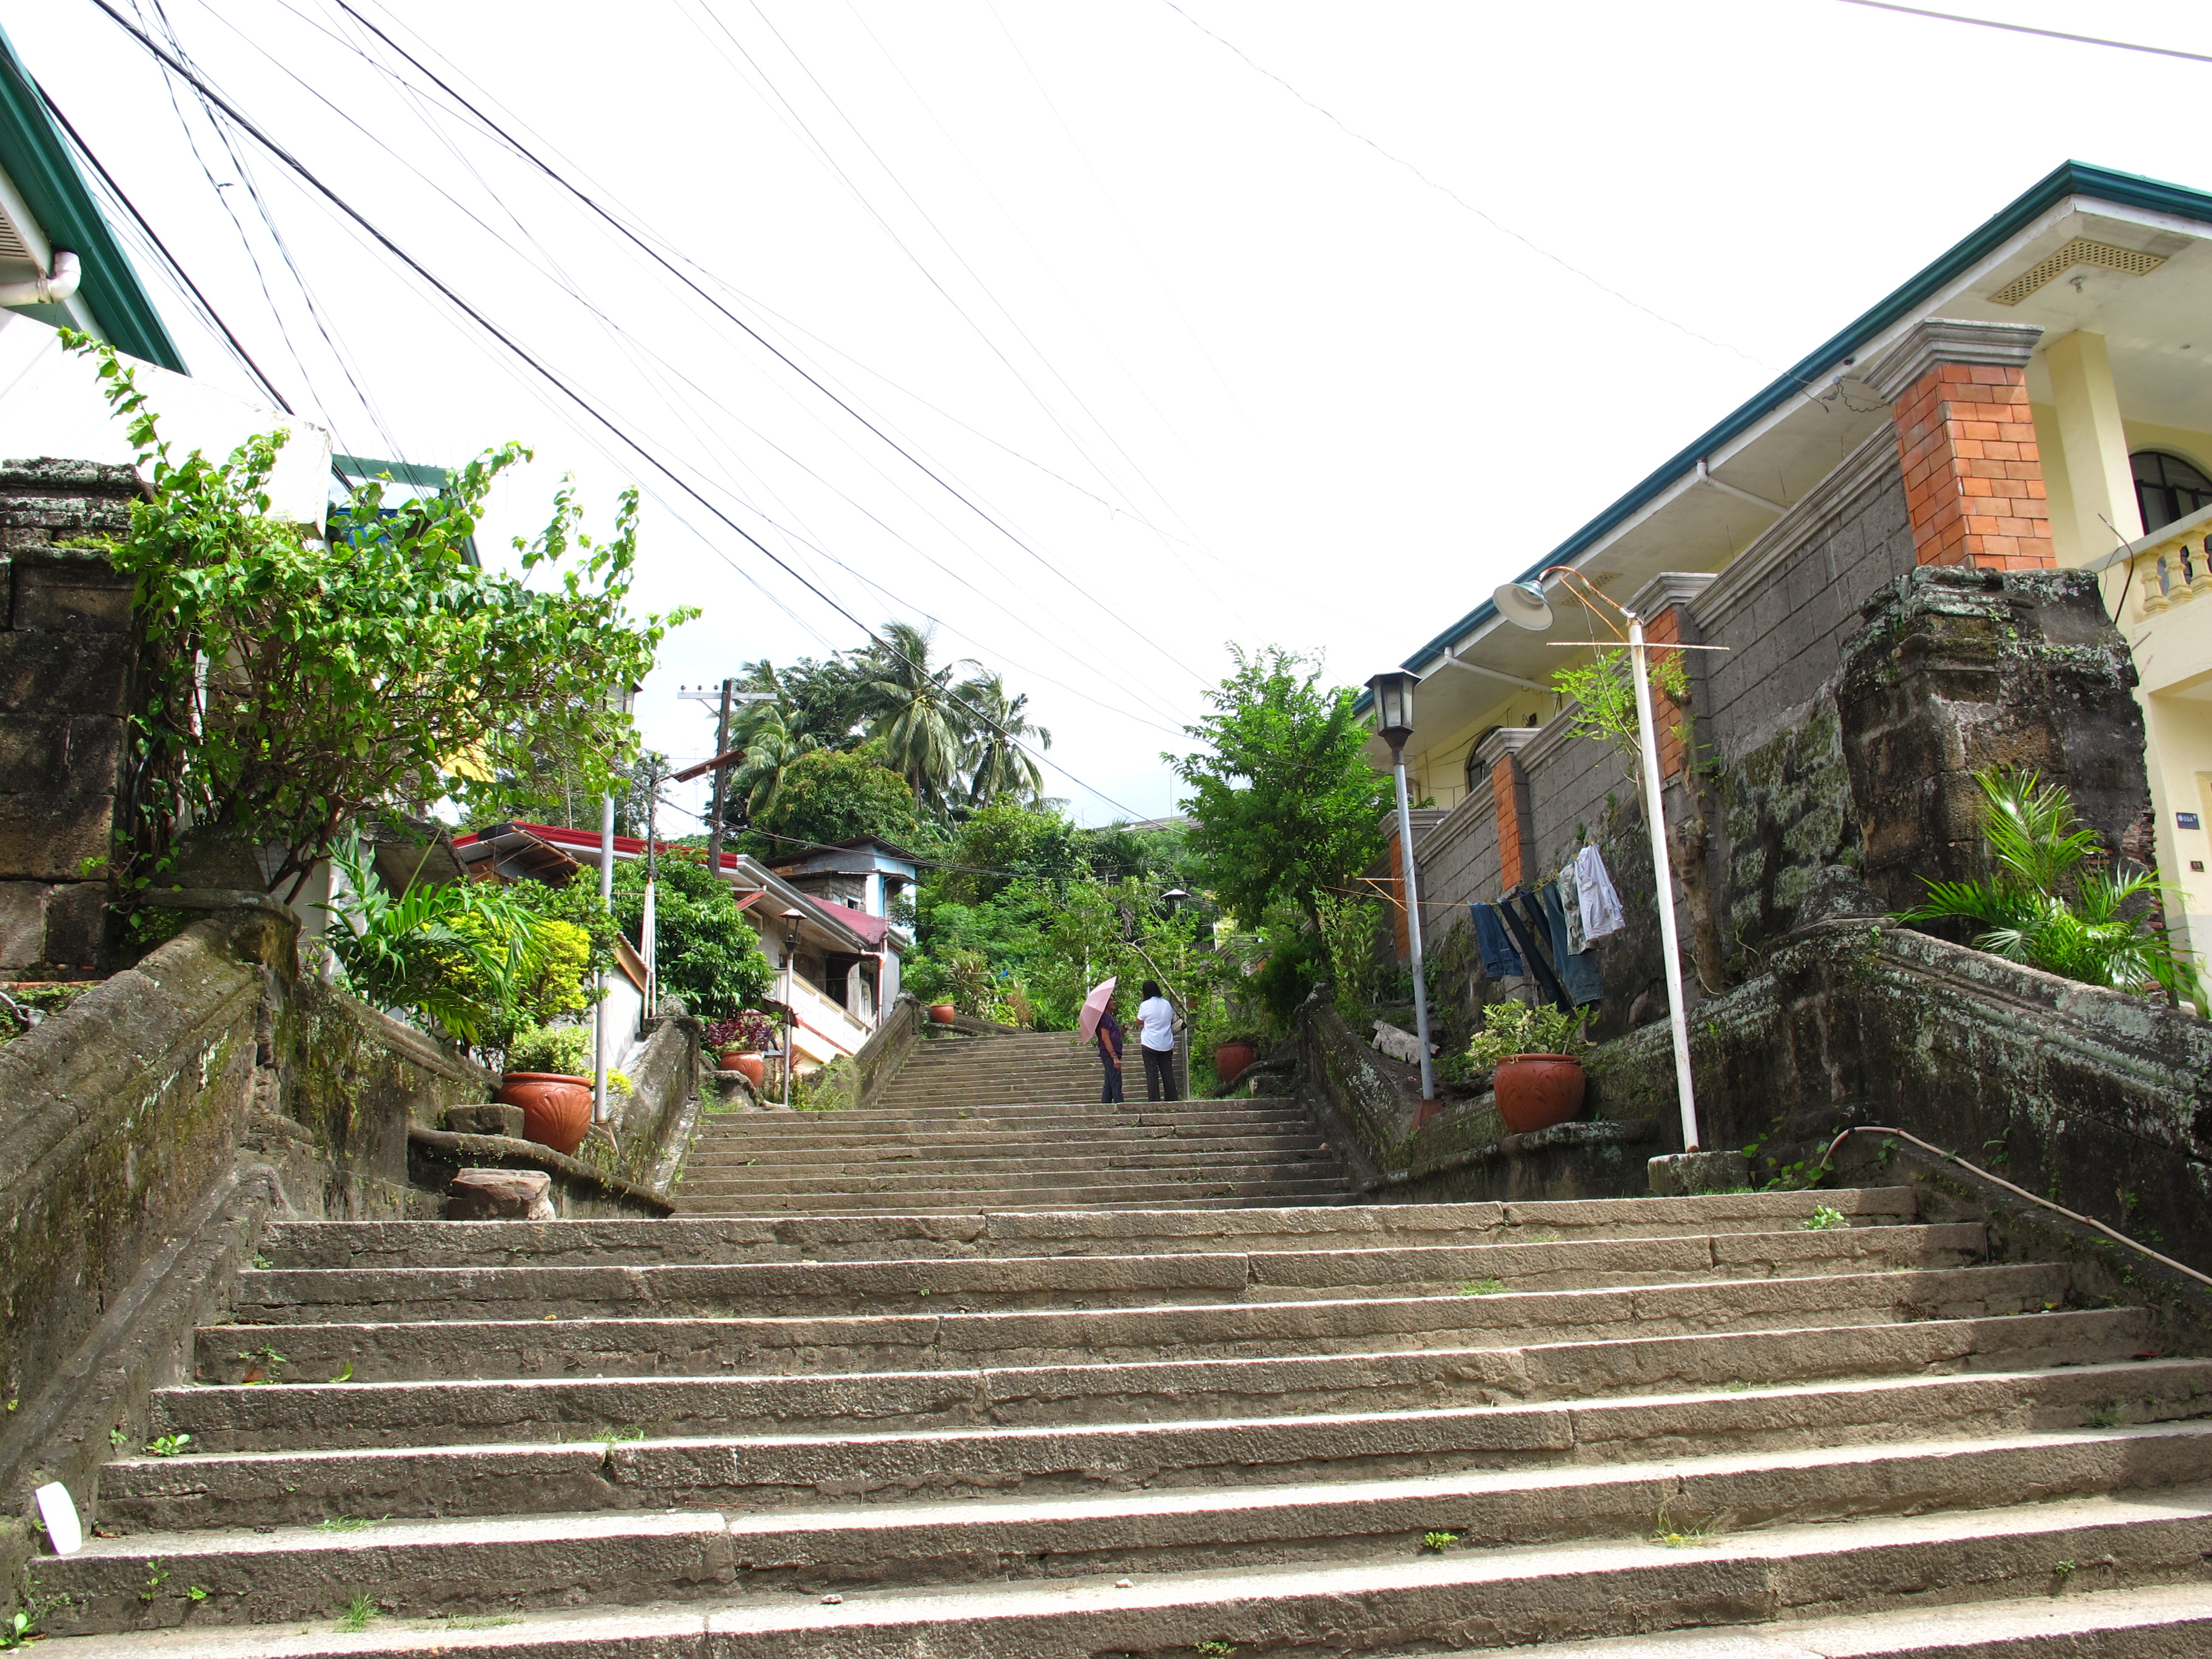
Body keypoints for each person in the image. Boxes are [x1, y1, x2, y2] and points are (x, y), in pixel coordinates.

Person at [1136, 979, 1179, 1101]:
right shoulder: (1167, 1004)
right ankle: (1172, 1100)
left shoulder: (1145, 1005)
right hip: (1166, 1043)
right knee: (1168, 1073)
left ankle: (1154, 1101)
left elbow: (1139, 1022)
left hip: (1149, 1043)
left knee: (1152, 1073)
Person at [1094, 995, 1125, 1104]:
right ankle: (1120, 1106)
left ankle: (1105, 1106)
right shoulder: (1104, 1018)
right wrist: (1114, 1057)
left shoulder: (1109, 1017)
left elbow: (1113, 1036)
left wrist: (1122, 1032)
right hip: (1109, 1054)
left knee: (1109, 1084)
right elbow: (1105, 1037)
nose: (1114, 1002)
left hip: (1110, 1054)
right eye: (1111, 1000)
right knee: (1116, 1082)